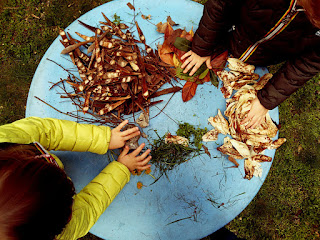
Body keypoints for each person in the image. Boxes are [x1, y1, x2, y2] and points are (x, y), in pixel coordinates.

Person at [0, 117, 151, 240]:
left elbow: (49, 131)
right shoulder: (55, 234)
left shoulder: (8, 139)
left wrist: (103, 138)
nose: (73, 212)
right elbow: (86, 209)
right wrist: (121, 169)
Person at [181, 0, 320, 128]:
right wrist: (202, 46)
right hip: (233, 30)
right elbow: (220, 4)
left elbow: (307, 65)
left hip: (268, 55)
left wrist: (266, 100)